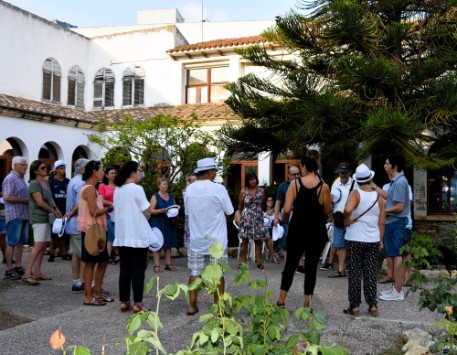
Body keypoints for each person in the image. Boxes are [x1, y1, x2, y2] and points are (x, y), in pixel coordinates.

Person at [276, 156, 332, 309]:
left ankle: (281, 300)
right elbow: (327, 210)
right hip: (316, 231)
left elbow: (286, 209)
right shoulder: (324, 186)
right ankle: (307, 304)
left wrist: (287, 220)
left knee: (290, 265)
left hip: (297, 229)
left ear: (305, 167)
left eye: (301, 167)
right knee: (311, 267)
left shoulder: (295, 184)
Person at [184, 157, 234, 316]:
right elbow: (229, 212)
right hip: (216, 242)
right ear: (211, 172)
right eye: (215, 171)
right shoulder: (219, 189)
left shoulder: (189, 190)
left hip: (197, 240)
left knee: (194, 272)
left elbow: (188, 214)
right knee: (218, 273)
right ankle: (218, 309)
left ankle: (192, 306)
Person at [343, 164, 385, 317]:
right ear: (370, 178)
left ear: (357, 180)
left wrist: (347, 219)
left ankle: (354, 306)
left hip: (355, 238)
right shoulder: (378, 197)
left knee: (354, 272)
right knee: (371, 272)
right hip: (372, 239)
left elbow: (348, 210)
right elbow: (382, 221)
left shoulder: (355, 193)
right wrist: (380, 239)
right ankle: (372, 305)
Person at [113, 161, 153, 313]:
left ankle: (124, 301)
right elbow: (147, 211)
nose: (140, 174)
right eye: (139, 171)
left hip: (122, 235)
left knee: (125, 270)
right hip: (136, 235)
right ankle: (138, 303)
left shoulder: (118, 189)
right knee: (137, 271)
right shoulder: (137, 189)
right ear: (133, 172)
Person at [371, 153, 410, 302]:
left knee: (397, 256)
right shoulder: (396, 181)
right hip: (392, 223)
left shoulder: (400, 182)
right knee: (394, 255)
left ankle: (398, 291)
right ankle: (396, 288)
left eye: (387, 163)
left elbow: (399, 207)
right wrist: (373, 185)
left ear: (394, 166)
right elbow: (388, 196)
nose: (385, 165)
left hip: (396, 223)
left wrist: (382, 211)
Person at [78, 160, 113, 306]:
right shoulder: (90, 189)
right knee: (90, 262)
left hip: (96, 229)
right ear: (94, 171)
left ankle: (97, 293)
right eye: (101, 169)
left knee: (103, 260)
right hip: (91, 230)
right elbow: (94, 211)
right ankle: (88, 296)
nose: (102, 172)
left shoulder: (91, 188)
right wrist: (109, 209)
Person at [22, 160, 62, 285]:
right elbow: (39, 202)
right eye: (43, 167)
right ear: (35, 171)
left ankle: (37, 272)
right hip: (38, 218)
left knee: (44, 244)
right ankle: (27, 274)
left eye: (46, 167)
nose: (46, 169)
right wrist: (53, 211)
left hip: (46, 217)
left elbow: (50, 198)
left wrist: (56, 209)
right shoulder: (34, 183)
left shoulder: (45, 182)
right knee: (38, 245)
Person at [328, 162, 358, 278]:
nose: (342, 175)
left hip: (352, 219)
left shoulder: (356, 184)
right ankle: (341, 270)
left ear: (350, 172)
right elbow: (333, 200)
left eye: (344, 172)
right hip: (338, 217)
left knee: (353, 244)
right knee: (340, 245)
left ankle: (353, 268)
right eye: (341, 172)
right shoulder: (335, 184)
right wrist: (331, 213)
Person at [2, 156, 29, 280]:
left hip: (23, 214)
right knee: (12, 242)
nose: (26, 167)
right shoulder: (10, 178)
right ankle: (9, 269)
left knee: (20, 242)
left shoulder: (21, 178)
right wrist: (24, 201)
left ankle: (18, 266)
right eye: (23, 164)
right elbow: (7, 197)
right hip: (14, 214)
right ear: (15, 165)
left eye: (26, 165)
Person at [65, 158, 89, 292]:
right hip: (79, 222)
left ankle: (77, 281)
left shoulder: (73, 180)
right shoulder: (81, 182)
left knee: (75, 253)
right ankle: (87, 282)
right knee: (83, 254)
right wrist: (71, 213)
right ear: (81, 169)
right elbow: (81, 203)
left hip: (74, 222)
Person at [238, 171, 268, 269]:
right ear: (247, 181)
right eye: (250, 179)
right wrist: (243, 216)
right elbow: (240, 206)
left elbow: (263, 204)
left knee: (258, 241)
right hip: (246, 218)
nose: (253, 181)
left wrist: (259, 212)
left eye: (254, 179)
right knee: (245, 241)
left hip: (258, 217)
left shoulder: (261, 191)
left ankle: (259, 261)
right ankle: (243, 263)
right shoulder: (243, 191)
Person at [149, 177, 178, 273]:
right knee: (157, 244)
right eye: (164, 184)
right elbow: (151, 211)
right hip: (158, 222)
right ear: (159, 185)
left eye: (167, 184)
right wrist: (160, 211)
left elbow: (174, 207)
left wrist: (175, 211)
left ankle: (168, 264)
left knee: (168, 244)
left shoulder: (171, 195)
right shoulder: (155, 196)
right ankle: (156, 265)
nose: (166, 186)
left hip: (168, 222)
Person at [273, 165, 301, 263]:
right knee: (287, 241)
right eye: (294, 174)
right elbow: (278, 202)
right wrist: (276, 217)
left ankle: (300, 265)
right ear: (289, 175)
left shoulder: (304, 184)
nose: (297, 176)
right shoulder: (283, 186)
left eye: (298, 174)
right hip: (287, 216)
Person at [48, 160, 71, 262]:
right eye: (61, 168)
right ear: (56, 170)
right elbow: (49, 197)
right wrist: (54, 209)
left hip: (65, 210)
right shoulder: (51, 182)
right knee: (53, 233)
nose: (63, 170)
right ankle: (51, 253)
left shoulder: (67, 181)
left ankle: (64, 253)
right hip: (54, 210)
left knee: (63, 232)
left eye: (64, 168)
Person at [98, 166, 118, 264]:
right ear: (106, 175)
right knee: (112, 234)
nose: (114, 174)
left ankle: (113, 255)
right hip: (107, 214)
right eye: (112, 173)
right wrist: (112, 204)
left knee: (115, 235)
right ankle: (109, 255)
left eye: (115, 173)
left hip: (118, 214)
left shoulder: (119, 186)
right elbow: (100, 199)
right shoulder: (102, 186)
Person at [183, 174, 197, 252]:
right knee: (189, 236)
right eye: (193, 180)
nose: (194, 182)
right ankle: (189, 253)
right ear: (189, 181)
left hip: (198, 216)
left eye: (196, 180)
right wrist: (188, 187)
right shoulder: (186, 191)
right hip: (189, 215)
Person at [264, 195, 280, 264]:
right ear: (265, 202)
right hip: (262, 230)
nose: (270, 202)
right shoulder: (262, 211)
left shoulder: (276, 211)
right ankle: (274, 255)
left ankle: (273, 254)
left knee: (269, 236)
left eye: (271, 200)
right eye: (268, 200)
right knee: (268, 236)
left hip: (273, 230)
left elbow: (281, 220)